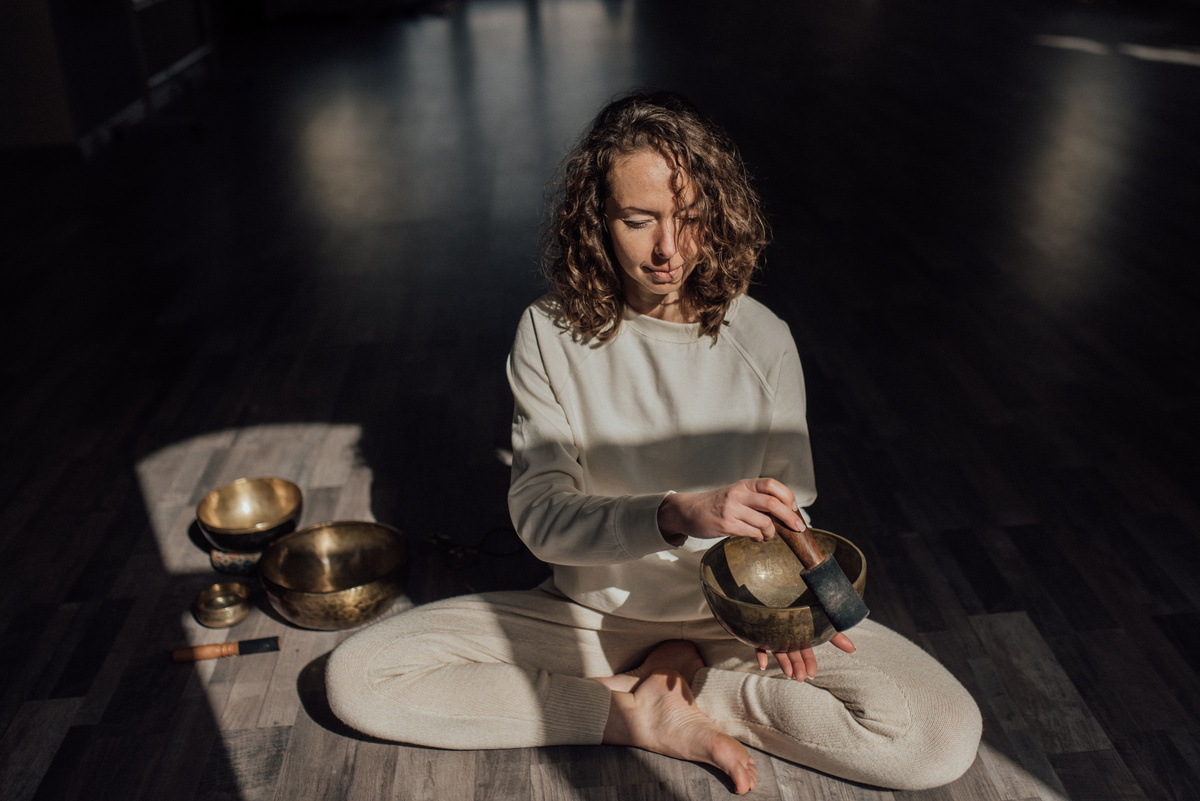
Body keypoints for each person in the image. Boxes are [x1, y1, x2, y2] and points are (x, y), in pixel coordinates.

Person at [327, 91, 982, 795]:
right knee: (359, 677)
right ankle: (630, 712)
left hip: (732, 625)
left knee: (938, 734)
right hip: (593, 620)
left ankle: (689, 688)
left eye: (691, 219)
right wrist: (673, 513)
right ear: (596, 222)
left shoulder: (763, 340)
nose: (669, 249)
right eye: (639, 221)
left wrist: (796, 614)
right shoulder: (550, 334)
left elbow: (789, 518)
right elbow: (542, 518)